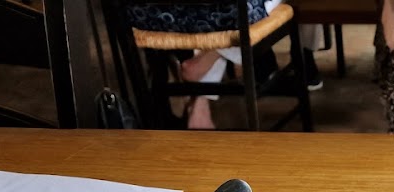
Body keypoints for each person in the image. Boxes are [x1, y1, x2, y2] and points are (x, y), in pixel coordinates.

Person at [124, 0, 323, 129]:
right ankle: (212, 58)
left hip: (149, 15)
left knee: (214, 12)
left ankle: (201, 99)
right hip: (228, 15)